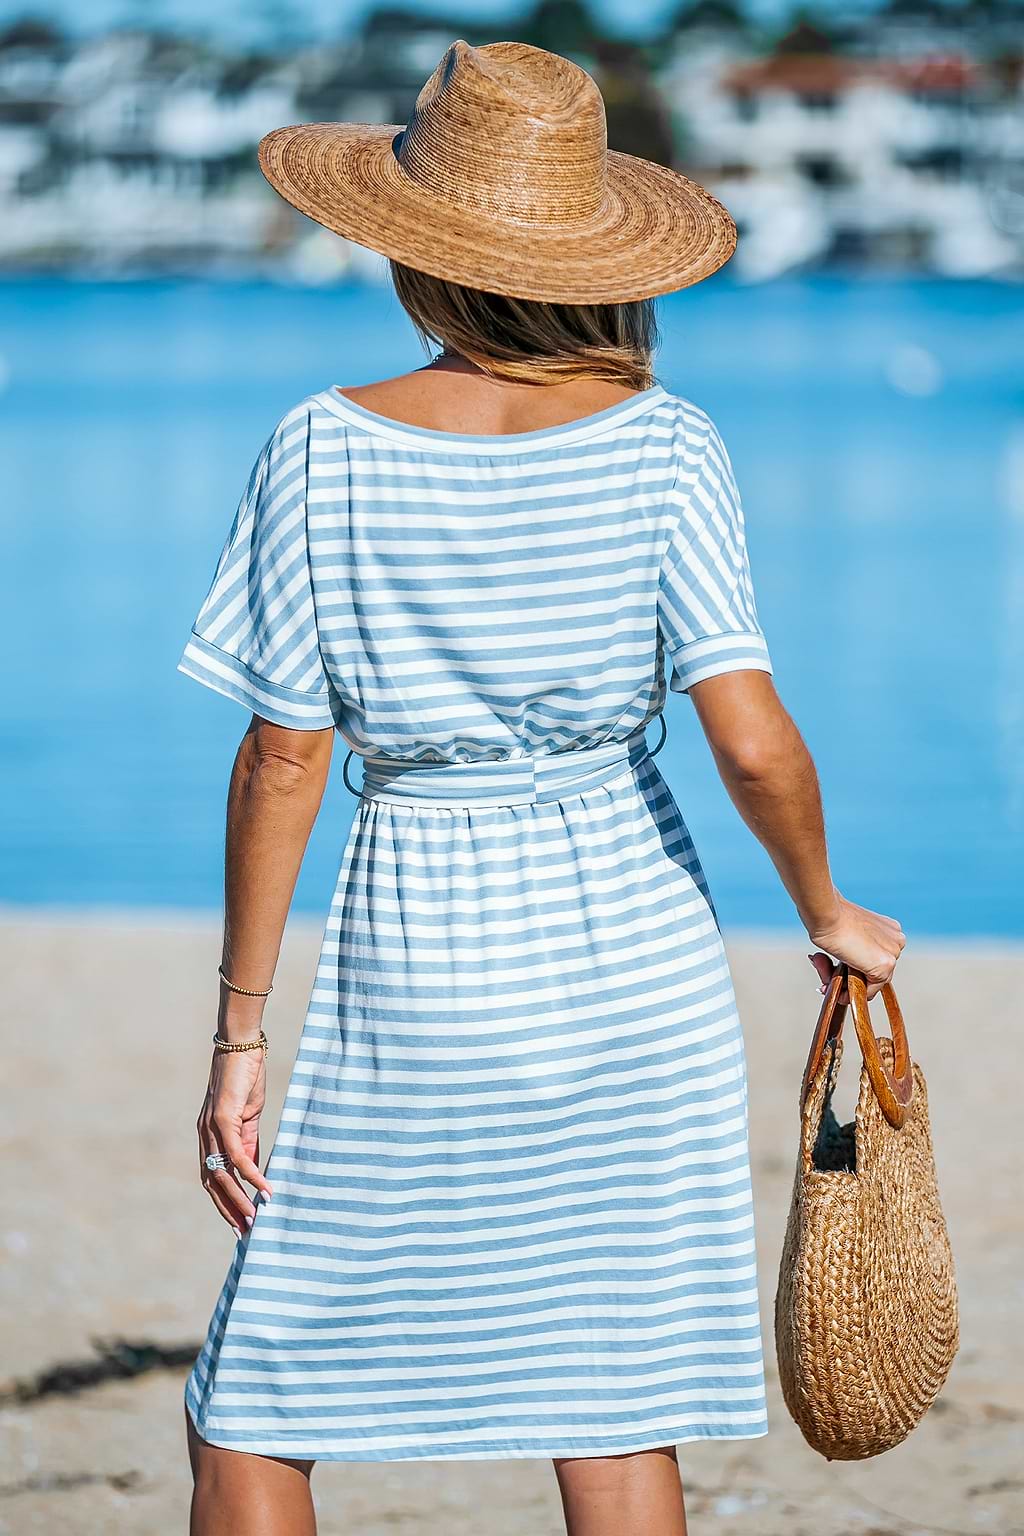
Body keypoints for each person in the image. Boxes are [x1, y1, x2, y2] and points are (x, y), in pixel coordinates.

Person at [178, 39, 905, 1536]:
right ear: (593, 257)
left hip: (417, 954)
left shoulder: (323, 446)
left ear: (415, 252)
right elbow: (752, 740)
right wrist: (824, 908)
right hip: (633, 953)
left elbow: (283, 758)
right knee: (613, 1396)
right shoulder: (669, 445)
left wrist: (241, 1035)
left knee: (261, 1394)